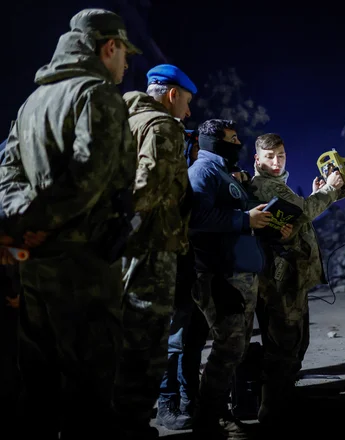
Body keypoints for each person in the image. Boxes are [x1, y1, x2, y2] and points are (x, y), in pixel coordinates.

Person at [0, 8, 139, 439]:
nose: (127, 65)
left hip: (36, 265)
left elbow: (7, 176)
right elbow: (88, 176)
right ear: (108, 47)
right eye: (124, 54)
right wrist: (44, 221)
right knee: (89, 388)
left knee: (38, 387)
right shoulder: (96, 94)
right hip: (83, 267)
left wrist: (26, 223)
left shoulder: (31, 102)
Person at [187, 119, 291, 439]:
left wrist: (266, 221)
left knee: (237, 347)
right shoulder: (202, 172)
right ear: (215, 142)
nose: (237, 145)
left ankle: (218, 412)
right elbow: (197, 217)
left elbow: (241, 216)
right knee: (228, 347)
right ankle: (211, 419)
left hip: (241, 274)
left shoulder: (222, 174)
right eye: (231, 140)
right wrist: (245, 218)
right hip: (222, 275)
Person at [112, 64, 196, 439]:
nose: (188, 113)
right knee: (147, 341)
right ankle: (131, 425)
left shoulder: (123, 119)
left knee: (121, 332)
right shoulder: (162, 127)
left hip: (121, 248)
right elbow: (148, 188)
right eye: (188, 102)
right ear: (173, 94)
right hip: (151, 248)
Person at [249, 133, 344, 431]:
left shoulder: (277, 185)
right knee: (283, 346)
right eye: (269, 157)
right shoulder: (264, 185)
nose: (276, 162)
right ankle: (272, 413)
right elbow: (304, 212)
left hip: (290, 277)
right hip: (280, 280)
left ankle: (282, 402)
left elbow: (298, 216)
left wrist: (319, 195)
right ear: (257, 160)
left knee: (295, 343)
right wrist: (329, 190)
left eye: (280, 155)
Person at [156, 129, 210, 430]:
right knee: (174, 343)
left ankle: (191, 398)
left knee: (193, 342)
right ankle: (167, 403)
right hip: (176, 270)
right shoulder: (174, 181)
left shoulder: (193, 178)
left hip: (196, 270)